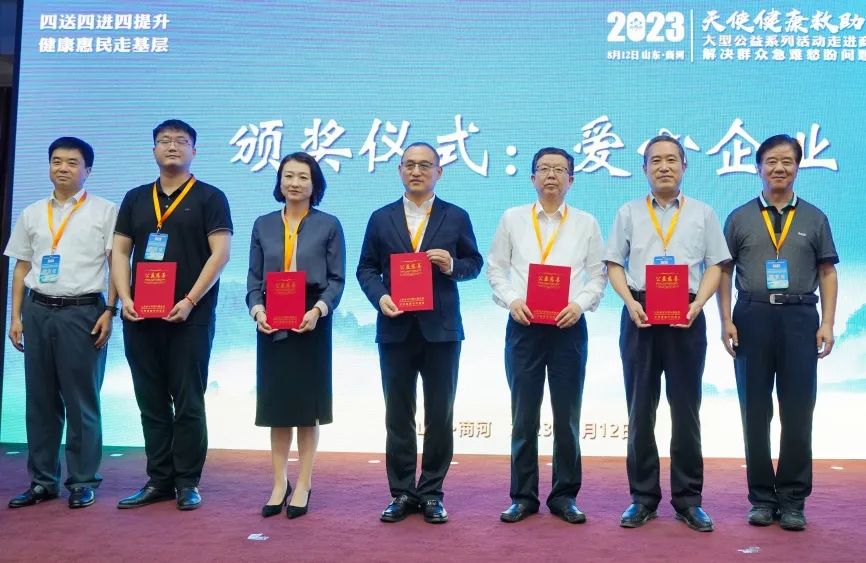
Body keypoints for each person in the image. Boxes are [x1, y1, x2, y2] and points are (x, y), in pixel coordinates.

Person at [604, 134, 730, 532]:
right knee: (640, 410)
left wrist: (698, 305)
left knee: (686, 410)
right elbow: (613, 263)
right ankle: (642, 499)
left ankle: (688, 500)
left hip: (686, 315)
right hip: (640, 314)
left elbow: (716, 264)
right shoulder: (628, 212)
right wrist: (629, 302)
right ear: (644, 169)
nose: (664, 167)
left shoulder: (703, 213)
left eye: (672, 160)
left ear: (684, 167)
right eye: (655, 160)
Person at [357, 142, 482, 524]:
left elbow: (474, 264)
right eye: (409, 165)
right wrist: (380, 298)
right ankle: (401, 493)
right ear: (399, 170)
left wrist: (452, 265)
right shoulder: (381, 218)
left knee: (440, 414)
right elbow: (366, 269)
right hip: (394, 327)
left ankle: (431, 493)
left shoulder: (455, 216)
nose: (416, 171)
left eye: (425, 165)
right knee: (398, 414)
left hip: (441, 331)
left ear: (438, 172)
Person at [717, 134, 838, 531]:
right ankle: (761, 498)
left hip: (800, 316)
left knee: (798, 410)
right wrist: (725, 319)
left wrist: (827, 322)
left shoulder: (815, 218)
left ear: (798, 167)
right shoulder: (739, 217)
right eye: (771, 161)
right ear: (759, 168)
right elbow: (723, 271)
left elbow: (827, 272)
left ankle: (793, 499)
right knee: (755, 410)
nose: (779, 168)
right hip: (751, 315)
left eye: (787, 161)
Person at [112, 119, 232, 511]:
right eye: (164, 140)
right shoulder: (135, 198)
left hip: (189, 316)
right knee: (151, 401)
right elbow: (120, 252)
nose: (172, 146)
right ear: (154, 150)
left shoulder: (210, 197)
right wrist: (125, 298)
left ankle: (187, 482)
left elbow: (220, 254)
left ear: (194, 150)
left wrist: (191, 300)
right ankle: (159, 479)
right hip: (139, 316)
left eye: (181, 141)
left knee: (188, 401)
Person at [487, 147, 606, 524]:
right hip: (523, 326)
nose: (551, 175)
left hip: (568, 327)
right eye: (544, 169)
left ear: (571, 180)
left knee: (567, 416)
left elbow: (597, 275)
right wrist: (512, 300)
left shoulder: (586, 222)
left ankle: (564, 496)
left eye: (559, 169)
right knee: (523, 415)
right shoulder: (512, 218)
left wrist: (580, 304)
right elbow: (496, 268)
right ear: (532, 178)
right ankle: (522, 496)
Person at [5, 137, 118, 510]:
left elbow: (117, 265)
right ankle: (42, 481)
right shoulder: (32, 212)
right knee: (39, 400)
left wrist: (111, 310)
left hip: (83, 312)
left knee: (81, 401)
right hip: (37, 310)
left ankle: (82, 480)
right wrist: (15, 316)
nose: (63, 168)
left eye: (72, 162)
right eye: (56, 161)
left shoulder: (105, 211)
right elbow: (21, 266)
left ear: (88, 170)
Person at [246, 152, 345, 519]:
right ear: (279, 181)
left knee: (306, 410)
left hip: (311, 318)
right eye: (288, 176)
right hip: (271, 319)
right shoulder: (263, 224)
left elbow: (336, 280)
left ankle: (303, 483)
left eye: (303, 177)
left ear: (314, 184)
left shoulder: (329, 224)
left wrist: (317, 311)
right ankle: (278, 483)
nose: (295, 183)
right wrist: (258, 312)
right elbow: (253, 279)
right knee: (277, 409)